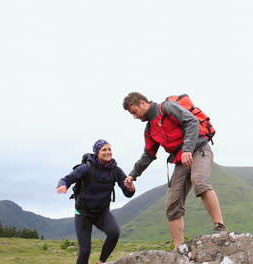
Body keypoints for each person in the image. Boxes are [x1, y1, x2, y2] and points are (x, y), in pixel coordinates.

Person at [122, 92, 227, 249]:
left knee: (199, 180)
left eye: (134, 112)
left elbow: (192, 122)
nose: (134, 117)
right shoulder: (150, 129)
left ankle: (220, 228)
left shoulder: (167, 107)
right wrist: (132, 175)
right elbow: (148, 155)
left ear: (143, 103)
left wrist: (187, 149)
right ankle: (179, 249)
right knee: (172, 202)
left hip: (199, 149)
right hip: (181, 160)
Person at [57, 139, 135, 264]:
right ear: (97, 152)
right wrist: (63, 185)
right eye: (104, 149)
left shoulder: (115, 170)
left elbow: (127, 192)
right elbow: (67, 179)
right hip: (83, 213)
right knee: (85, 251)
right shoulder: (86, 168)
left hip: (102, 213)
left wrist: (131, 188)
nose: (108, 152)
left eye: (109, 149)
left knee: (114, 233)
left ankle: (101, 262)